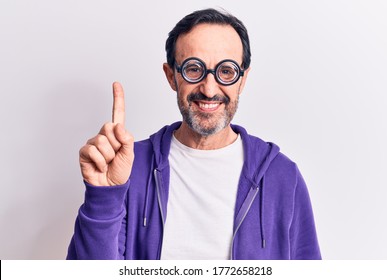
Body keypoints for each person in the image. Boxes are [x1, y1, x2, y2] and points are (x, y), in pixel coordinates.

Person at [67, 8, 321, 260]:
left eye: (226, 71)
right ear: (171, 76)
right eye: (193, 68)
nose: (209, 90)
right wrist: (103, 199)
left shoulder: (282, 176)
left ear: (242, 80)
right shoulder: (128, 168)